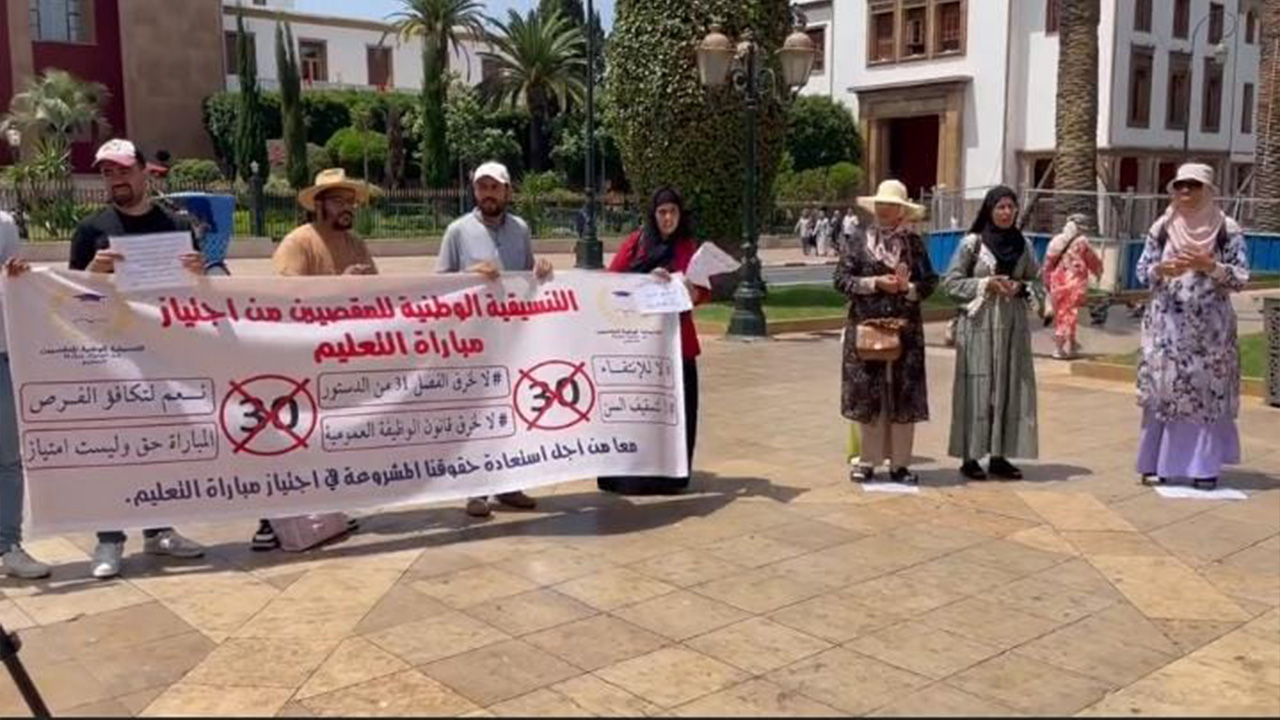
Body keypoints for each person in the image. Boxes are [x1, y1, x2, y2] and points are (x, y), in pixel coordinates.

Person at [68, 139, 206, 578]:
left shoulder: (174, 224)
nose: (116, 180)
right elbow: (72, 300)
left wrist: (198, 274)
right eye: (107, 173)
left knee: (161, 446)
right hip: (112, 358)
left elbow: (191, 298)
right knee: (114, 451)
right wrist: (94, 273)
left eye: (123, 170)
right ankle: (109, 541)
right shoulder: (91, 230)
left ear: (145, 172)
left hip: (162, 355)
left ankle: (160, 530)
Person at [257, 168, 374, 549]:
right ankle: (268, 521)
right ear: (319, 205)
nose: (347, 207)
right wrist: (340, 284)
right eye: (338, 200)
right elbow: (286, 298)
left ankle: (326, 507)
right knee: (291, 439)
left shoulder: (356, 243)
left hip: (341, 355)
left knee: (330, 436)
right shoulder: (298, 242)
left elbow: (378, 291)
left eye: (350, 200)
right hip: (301, 357)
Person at [436, 161, 553, 518]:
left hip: (512, 339)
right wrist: (470, 275)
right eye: (482, 187)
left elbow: (527, 277)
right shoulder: (457, 231)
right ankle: (475, 490)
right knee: (476, 416)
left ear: (507, 191)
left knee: (510, 413)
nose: (488, 193)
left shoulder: (520, 229)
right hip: (473, 340)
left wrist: (542, 272)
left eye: (495, 187)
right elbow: (438, 284)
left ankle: (508, 485)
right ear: (475, 191)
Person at [1135, 163, 1249, 490]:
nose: (1185, 192)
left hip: (1210, 333)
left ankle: (1203, 467)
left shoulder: (1226, 228)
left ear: (1208, 189)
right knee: (1165, 392)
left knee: (1205, 395)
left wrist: (1210, 267)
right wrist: (1162, 269)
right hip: (1166, 330)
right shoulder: (1163, 225)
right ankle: (1158, 463)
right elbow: (1143, 270)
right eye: (1180, 186)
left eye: (1193, 186)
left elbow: (1241, 277)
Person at [598, 187, 710, 495]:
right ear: (653, 214)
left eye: (673, 211)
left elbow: (702, 292)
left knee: (678, 411)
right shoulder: (637, 242)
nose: (668, 218)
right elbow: (612, 281)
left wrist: (689, 288)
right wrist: (647, 274)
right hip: (639, 346)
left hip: (678, 343)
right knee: (638, 411)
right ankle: (628, 475)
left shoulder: (689, 246)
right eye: (662, 212)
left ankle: (671, 475)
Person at [837, 180, 938, 484]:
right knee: (869, 393)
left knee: (903, 395)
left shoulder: (914, 244)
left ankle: (900, 464)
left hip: (905, 333)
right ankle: (867, 460)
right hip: (867, 329)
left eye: (891, 205)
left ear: (901, 211)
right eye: (881, 204)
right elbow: (841, 279)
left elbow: (931, 281)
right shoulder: (857, 240)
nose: (884, 210)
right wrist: (874, 284)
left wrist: (909, 289)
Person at [942, 185, 1040, 481]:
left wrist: (1021, 288)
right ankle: (970, 456)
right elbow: (951, 283)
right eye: (1001, 207)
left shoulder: (1024, 245)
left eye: (1011, 207)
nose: (1006, 212)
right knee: (977, 389)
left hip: (1013, 327)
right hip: (979, 326)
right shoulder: (972, 244)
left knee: (1009, 387)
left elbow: (1039, 283)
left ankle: (999, 455)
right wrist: (986, 285)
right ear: (989, 209)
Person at [0, 214, 52, 579]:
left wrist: (18, 276)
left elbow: (11, 281)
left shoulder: (3, 224)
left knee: (7, 459)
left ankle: (8, 545)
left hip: (2, 354)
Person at [1044, 213, 1103, 359]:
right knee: (1069, 314)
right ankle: (1060, 347)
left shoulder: (1056, 241)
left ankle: (1071, 344)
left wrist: (1047, 282)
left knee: (1064, 314)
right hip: (1074, 284)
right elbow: (1093, 261)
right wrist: (1098, 273)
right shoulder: (1082, 242)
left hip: (1057, 283)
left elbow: (1048, 264)